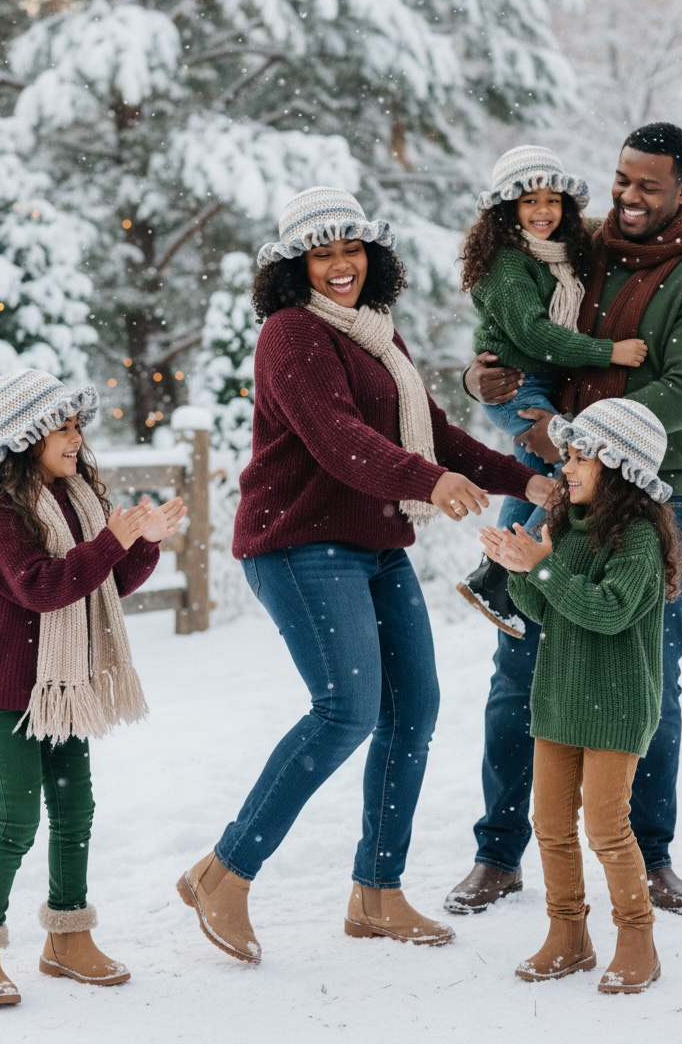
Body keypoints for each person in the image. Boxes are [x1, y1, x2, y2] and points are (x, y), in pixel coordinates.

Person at [175, 187, 554, 965]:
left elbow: (436, 432)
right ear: (296, 266)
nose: (341, 265)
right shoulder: (290, 335)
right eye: (323, 253)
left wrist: (528, 481)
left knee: (413, 709)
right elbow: (337, 438)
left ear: (371, 257)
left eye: (352, 250)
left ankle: (377, 893)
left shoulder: (379, 336)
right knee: (345, 710)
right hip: (299, 543)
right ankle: (226, 871)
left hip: (373, 545)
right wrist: (425, 481)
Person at [445, 123, 682, 918]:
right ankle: (498, 853)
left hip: (648, 498)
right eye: (621, 179)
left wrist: (582, 439)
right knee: (517, 667)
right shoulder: (577, 248)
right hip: (545, 484)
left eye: (649, 185)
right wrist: (483, 376)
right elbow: (517, 338)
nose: (629, 197)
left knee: (649, 678)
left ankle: (648, 855)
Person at [0, 369, 186, 1007]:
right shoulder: (4, 511)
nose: (77, 437)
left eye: (78, 425)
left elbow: (103, 583)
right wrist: (115, 538)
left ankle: (67, 938)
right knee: (18, 817)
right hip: (3, 690)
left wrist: (144, 543)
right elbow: (43, 585)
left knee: (74, 811)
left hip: (62, 684)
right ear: (25, 436)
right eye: (64, 426)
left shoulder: (76, 497)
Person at [482, 399, 682, 994]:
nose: (565, 467)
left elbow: (608, 612)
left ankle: (637, 938)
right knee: (548, 822)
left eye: (579, 457)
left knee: (606, 827)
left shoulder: (639, 540)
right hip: (560, 700)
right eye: (566, 455)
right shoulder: (569, 526)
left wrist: (543, 569)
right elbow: (545, 608)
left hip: (616, 707)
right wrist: (522, 565)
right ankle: (568, 935)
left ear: (619, 467)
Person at [457, 145, 647, 636]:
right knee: (566, 469)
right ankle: (501, 572)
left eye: (553, 200)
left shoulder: (562, 253)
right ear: (505, 211)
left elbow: (617, 223)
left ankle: (490, 576)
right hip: (517, 387)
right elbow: (534, 334)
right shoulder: (507, 263)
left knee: (535, 472)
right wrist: (611, 353)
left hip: (540, 383)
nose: (543, 211)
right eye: (528, 202)